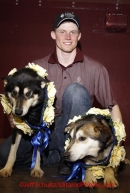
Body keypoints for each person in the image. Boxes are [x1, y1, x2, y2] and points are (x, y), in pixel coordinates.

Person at [0, 12, 122, 175]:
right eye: (62, 31)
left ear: (79, 36)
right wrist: (13, 116)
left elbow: (112, 106)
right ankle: (52, 156)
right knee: (2, 155)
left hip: (74, 133)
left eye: (73, 32)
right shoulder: (37, 68)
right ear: (53, 34)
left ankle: (68, 159)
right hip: (44, 130)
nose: (68, 36)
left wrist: (117, 144)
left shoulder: (96, 69)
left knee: (75, 90)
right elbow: (20, 96)